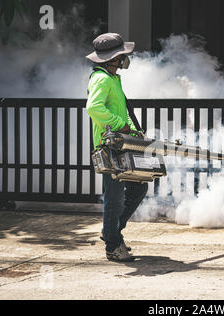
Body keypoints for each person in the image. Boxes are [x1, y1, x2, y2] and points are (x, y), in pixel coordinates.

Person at [85, 33, 148, 262]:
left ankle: (111, 232)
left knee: (139, 188)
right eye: (121, 55)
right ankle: (112, 245)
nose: (124, 59)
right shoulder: (101, 79)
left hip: (120, 143)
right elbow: (94, 108)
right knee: (114, 196)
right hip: (108, 145)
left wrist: (132, 130)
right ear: (111, 58)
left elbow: (123, 113)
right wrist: (120, 125)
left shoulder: (113, 79)